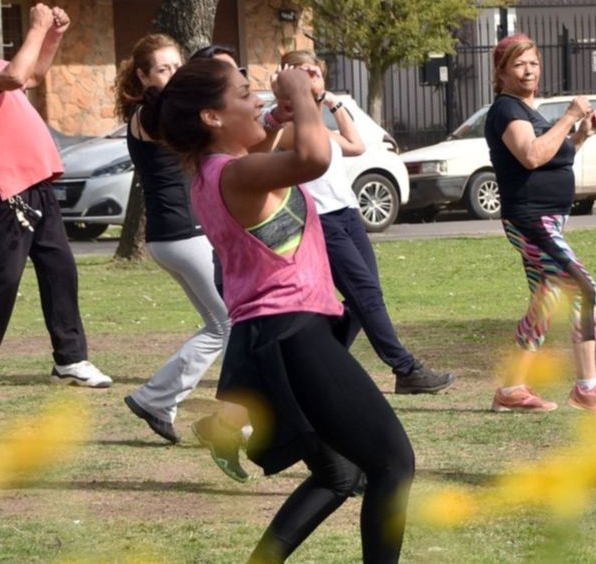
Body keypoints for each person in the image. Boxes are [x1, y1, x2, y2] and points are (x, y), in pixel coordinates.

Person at [141, 58, 414, 562]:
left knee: (339, 474)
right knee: (393, 464)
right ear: (212, 117)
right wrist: (302, 95)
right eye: (245, 94)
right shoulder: (236, 174)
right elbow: (313, 157)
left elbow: (258, 144)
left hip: (274, 334)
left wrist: (275, 116)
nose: (258, 101)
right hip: (294, 334)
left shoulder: (214, 171)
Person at [0, 0, 112, 392]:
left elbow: (31, 76)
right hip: (1, 189)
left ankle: (70, 359)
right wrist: (35, 27)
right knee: (5, 276)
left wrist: (51, 37)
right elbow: (16, 77)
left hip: (34, 182)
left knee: (60, 269)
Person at [275, 49, 454, 394]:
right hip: (320, 220)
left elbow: (356, 146)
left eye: (315, 72)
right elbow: (309, 143)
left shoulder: (317, 122)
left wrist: (332, 102)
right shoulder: (286, 127)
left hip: (348, 213)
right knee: (366, 294)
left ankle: (315, 364)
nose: (311, 78)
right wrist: (302, 99)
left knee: (365, 296)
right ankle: (405, 368)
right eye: (302, 73)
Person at [484, 33, 596, 415]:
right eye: (518, 64)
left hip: (545, 219)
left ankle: (512, 389)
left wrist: (579, 136)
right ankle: (588, 387)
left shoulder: (528, 112)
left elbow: (549, 156)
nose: (528, 70)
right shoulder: (506, 110)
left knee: (546, 300)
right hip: (530, 219)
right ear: (501, 72)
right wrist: (568, 117)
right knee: (584, 288)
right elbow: (531, 156)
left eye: (533, 62)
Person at [113, 34, 231, 444]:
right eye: (163, 68)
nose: (172, 73)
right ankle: (230, 414)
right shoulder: (152, 113)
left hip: (172, 236)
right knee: (232, 323)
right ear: (144, 76)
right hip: (184, 234)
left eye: (177, 65)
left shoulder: (159, 111)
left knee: (220, 324)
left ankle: (157, 401)